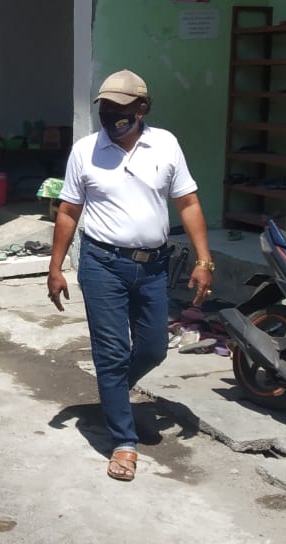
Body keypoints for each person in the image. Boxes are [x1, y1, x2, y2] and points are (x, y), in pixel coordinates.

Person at [46, 69, 213, 483]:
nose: (110, 114)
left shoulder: (166, 144)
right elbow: (68, 211)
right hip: (102, 263)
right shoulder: (86, 151)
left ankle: (113, 392)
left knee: (154, 347)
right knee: (112, 351)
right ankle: (123, 440)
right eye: (104, 106)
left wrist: (204, 260)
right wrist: (55, 267)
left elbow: (188, 203)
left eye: (119, 107)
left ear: (141, 108)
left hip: (153, 266)